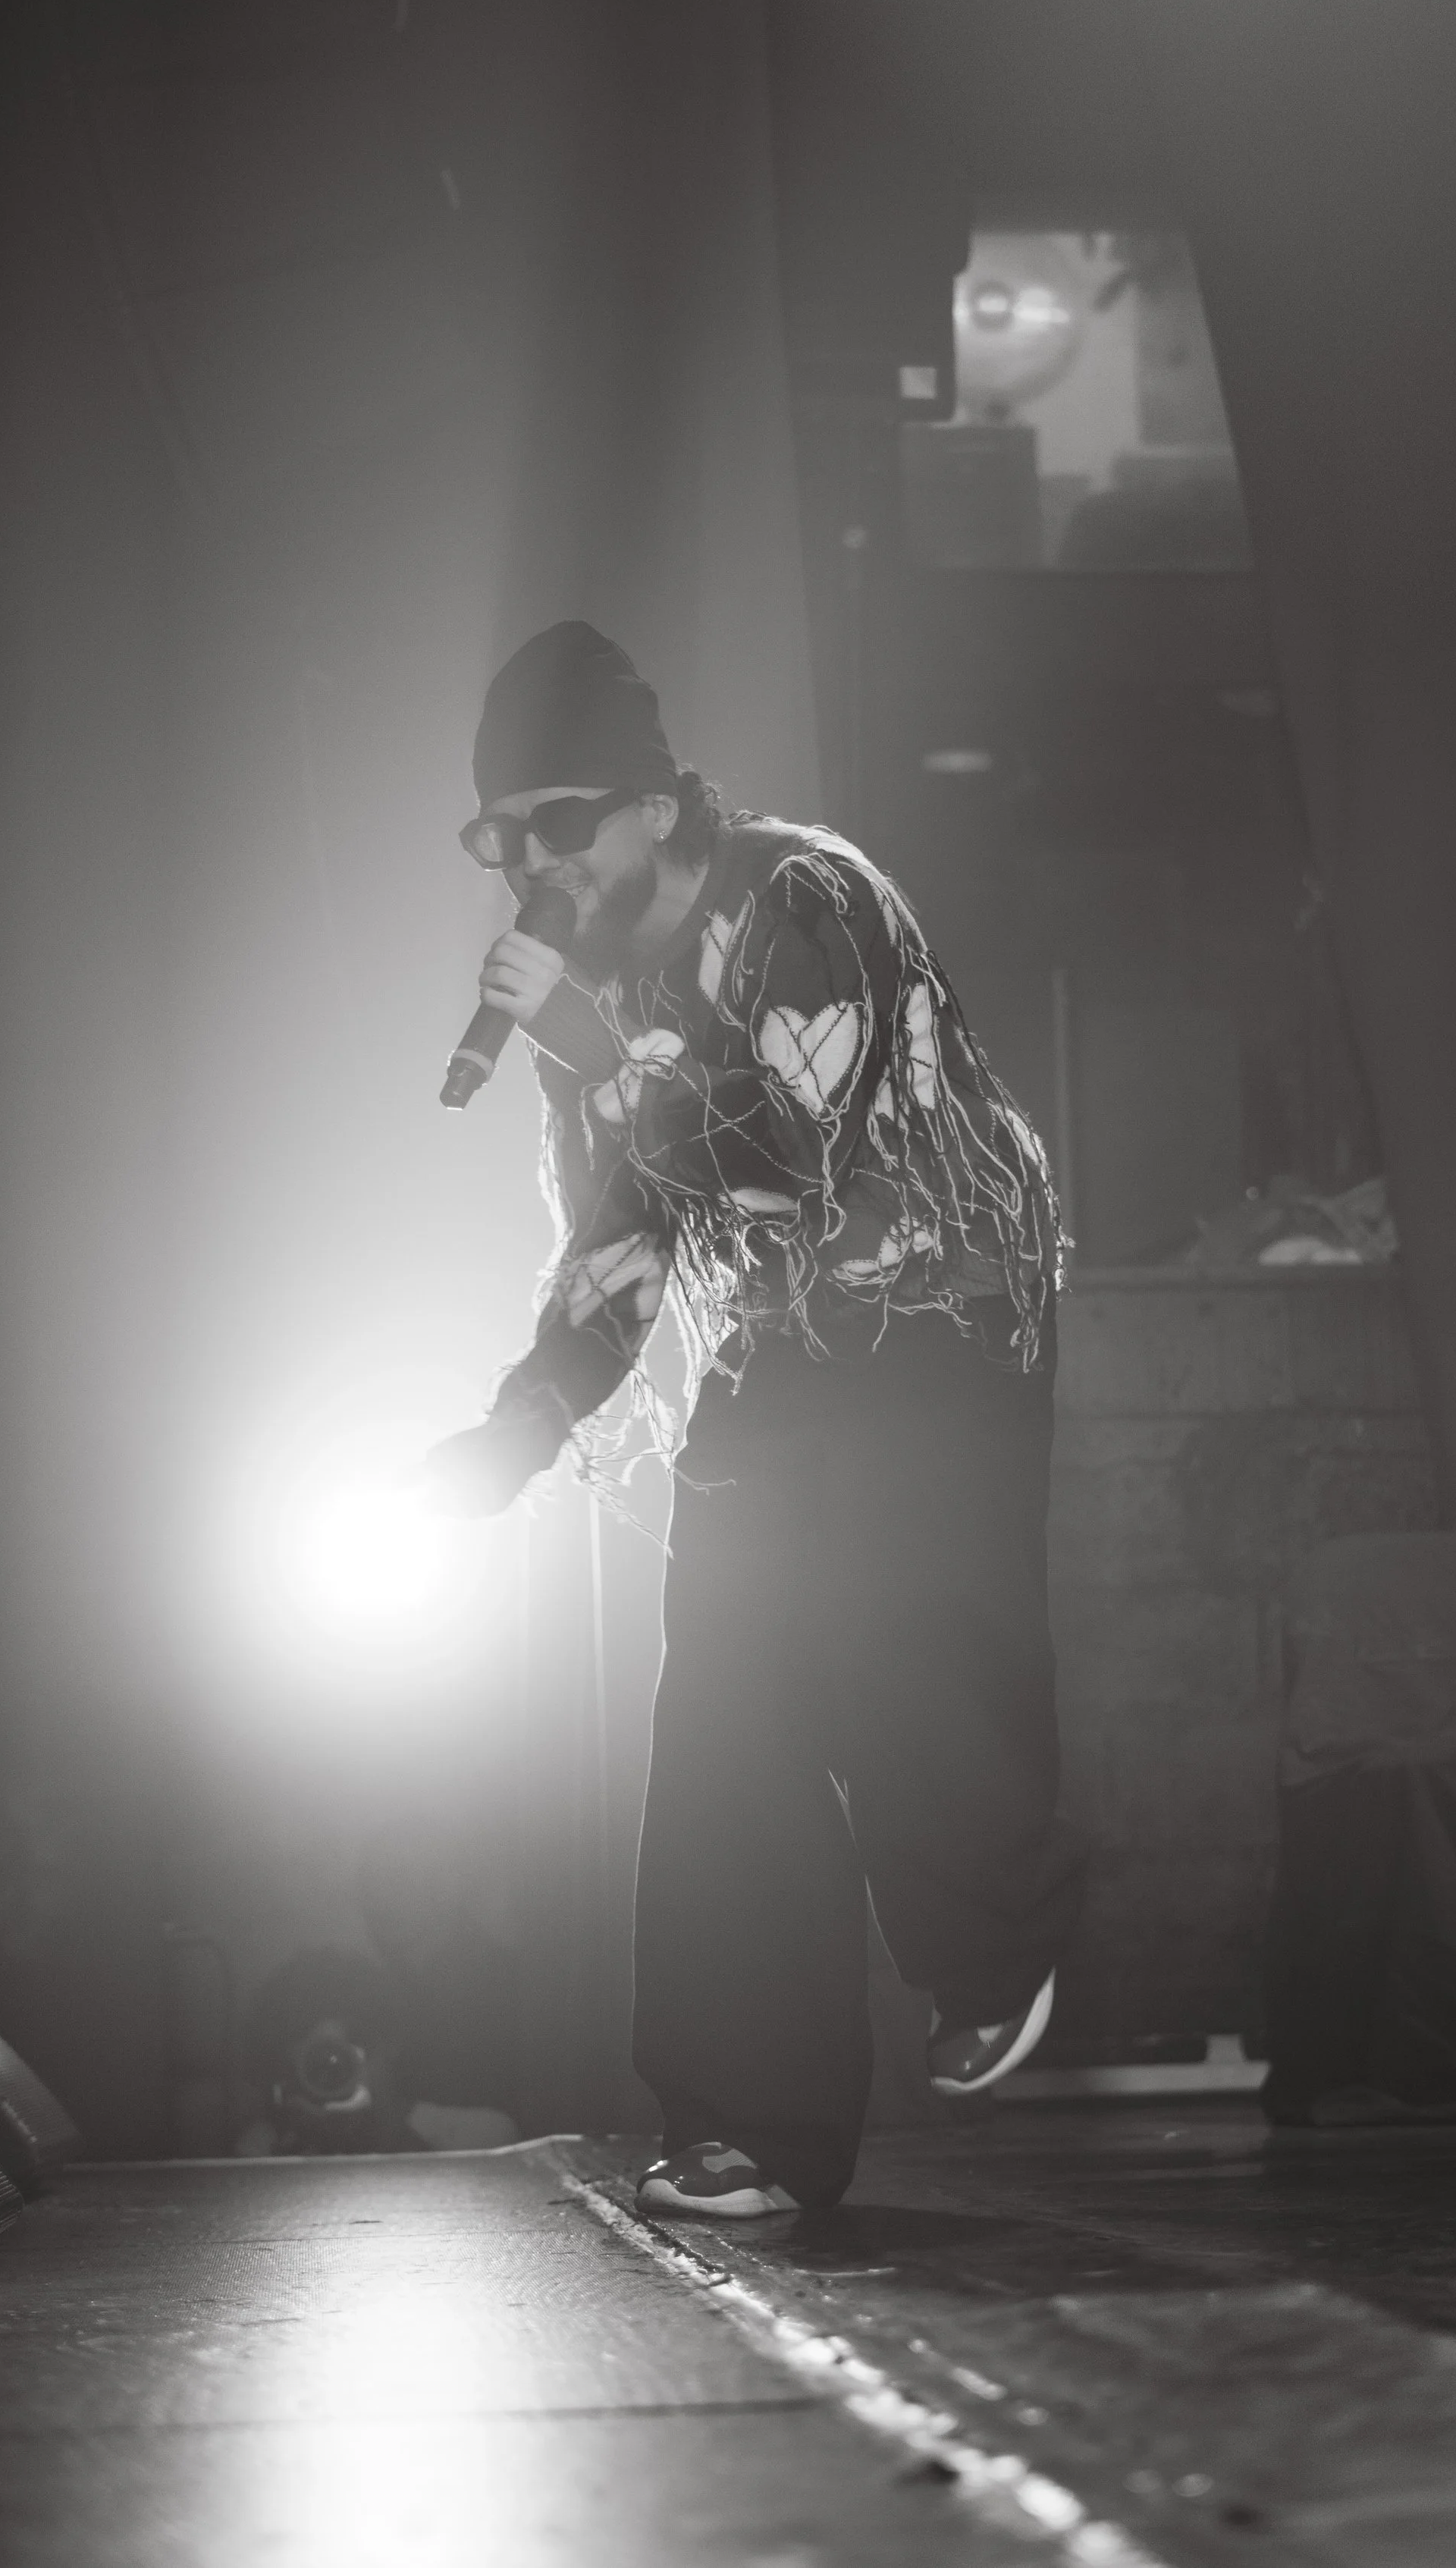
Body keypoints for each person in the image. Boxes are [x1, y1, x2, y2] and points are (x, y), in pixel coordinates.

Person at [424, 620, 1086, 2215]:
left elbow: (793, 1149)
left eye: (558, 821)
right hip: (784, 1332)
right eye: (499, 836)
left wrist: (591, 1042)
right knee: (724, 1695)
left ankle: (987, 1948)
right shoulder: (598, 996)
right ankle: (752, 2124)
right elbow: (627, 1234)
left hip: (944, 1303)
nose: (530, 864)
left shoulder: (804, 896)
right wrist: (520, 1426)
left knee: (908, 1639)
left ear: (654, 806)